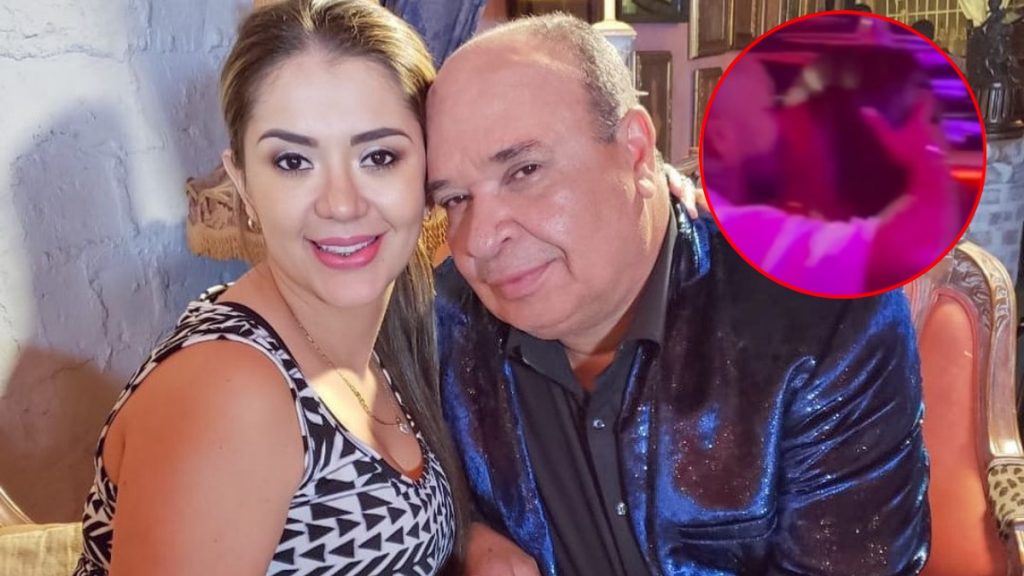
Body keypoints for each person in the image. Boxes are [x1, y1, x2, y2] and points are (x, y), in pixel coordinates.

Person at [427, 13, 930, 576]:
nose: (479, 239)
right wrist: (464, 533)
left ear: (637, 153)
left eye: (524, 171)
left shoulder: (822, 319)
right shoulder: (440, 326)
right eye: (454, 199)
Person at [73, 1, 468, 574]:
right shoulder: (233, 395)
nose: (341, 203)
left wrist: (476, 545)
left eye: (379, 156)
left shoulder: (378, 331)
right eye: (293, 162)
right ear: (242, 182)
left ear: (429, 170)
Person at [702, 44, 962, 294]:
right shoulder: (746, 230)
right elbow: (907, 250)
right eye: (768, 109)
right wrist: (924, 155)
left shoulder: (711, 207)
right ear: (722, 138)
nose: (780, 119)